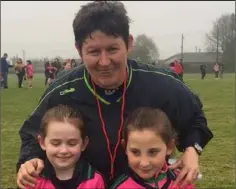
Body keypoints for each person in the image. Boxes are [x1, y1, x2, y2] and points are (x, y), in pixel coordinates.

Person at [16, 1, 213, 188]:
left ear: (128, 43)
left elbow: (196, 119)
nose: (104, 62)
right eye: (93, 52)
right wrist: (29, 159)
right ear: (79, 49)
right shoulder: (63, 89)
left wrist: (192, 150)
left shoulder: (163, 84)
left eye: (112, 49)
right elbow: (32, 132)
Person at [111, 107, 195, 189]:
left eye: (152, 152)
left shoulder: (183, 182)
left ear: (169, 147)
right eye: (135, 152)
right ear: (125, 147)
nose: (144, 163)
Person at [25, 105, 105, 189]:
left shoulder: (95, 180)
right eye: (56, 143)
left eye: (72, 143)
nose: (64, 150)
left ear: (84, 144)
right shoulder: (31, 179)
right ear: (42, 142)